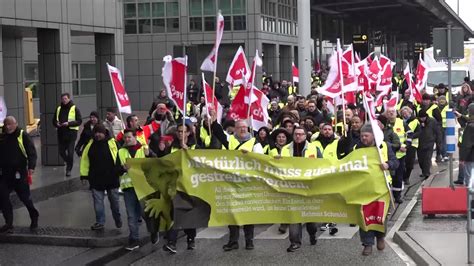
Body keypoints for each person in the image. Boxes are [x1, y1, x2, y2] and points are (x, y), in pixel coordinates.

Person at [211, 117, 263, 251]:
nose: (242, 130)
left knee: (248, 213)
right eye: (239, 127)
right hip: (232, 183)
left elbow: (262, 160)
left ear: (248, 129)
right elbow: (219, 133)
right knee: (232, 213)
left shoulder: (254, 143)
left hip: (248, 183)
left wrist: (250, 156)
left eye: (244, 128)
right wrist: (213, 119)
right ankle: (233, 241)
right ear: (235, 129)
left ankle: (249, 241)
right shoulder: (230, 140)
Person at [348, 123, 398, 256]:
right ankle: (367, 243)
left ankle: (380, 236)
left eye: (366, 135)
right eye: (362, 135)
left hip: (382, 187)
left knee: (380, 215)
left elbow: (395, 162)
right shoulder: (356, 148)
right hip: (363, 188)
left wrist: (388, 164)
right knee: (364, 216)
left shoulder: (384, 146)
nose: (363, 138)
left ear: (373, 136)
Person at [277, 126, 320, 252]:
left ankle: (312, 233)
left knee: (310, 218)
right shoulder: (285, 149)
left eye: (301, 134)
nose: (298, 136)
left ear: (306, 136)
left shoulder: (314, 149)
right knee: (294, 216)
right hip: (293, 187)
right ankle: (295, 242)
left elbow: (323, 165)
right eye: (296, 134)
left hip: (309, 187)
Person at [161, 123, 198, 254]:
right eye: (179, 131)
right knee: (174, 213)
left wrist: (187, 150)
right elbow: (164, 162)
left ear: (188, 133)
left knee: (188, 214)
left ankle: (190, 238)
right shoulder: (172, 147)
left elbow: (199, 163)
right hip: (174, 185)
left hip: (189, 185)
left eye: (183, 132)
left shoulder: (194, 146)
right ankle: (172, 242)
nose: (180, 134)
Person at [0, 116, 39, 233]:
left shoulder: (22, 135)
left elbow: (32, 152)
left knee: (25, 198)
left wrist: (31, 167)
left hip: (19, 173)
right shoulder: (2, 136)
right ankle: (9, 223)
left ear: (16, 124)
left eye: (10, 124)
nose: (8, 127)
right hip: (5, 174)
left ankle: (34, 216)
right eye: (6, 125)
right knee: (3, 197)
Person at [80, 124, 122, 231]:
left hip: (112, 178)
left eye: (100, 133)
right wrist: (84, 176)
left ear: (104, 133)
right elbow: (85, 161)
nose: (98, 135)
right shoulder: (90, 145)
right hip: (96, 179)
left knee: (115, 203)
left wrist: (120, 170)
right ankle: (100, 222)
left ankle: (117, 218)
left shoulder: (113, 143)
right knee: (98, 203)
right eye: (96, 132)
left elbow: (120, 157)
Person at [118, 129, 154, 250]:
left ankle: (154, 230)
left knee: (145, 213)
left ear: (135, 137)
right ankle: (134, 239)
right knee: (131, 215)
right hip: (128, 188)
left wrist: (149, 154)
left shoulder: (143, 149)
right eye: (125, 138)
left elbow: (156, 161)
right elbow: (115, 170)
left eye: (129, 137)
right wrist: (122, 168)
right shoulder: (121, 152)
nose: (127, 140)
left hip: (143, 187)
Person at [53, 92, 82, 176]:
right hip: (61, 133)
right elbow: (54, 120)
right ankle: (69, 162)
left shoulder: (74, 108)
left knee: (70, 153)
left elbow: (79, 121)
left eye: (65, 99)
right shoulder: (58, 108)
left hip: (71, 134)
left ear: (69, 99)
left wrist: (69, 123)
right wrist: (56, 124)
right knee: (61, 152)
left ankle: (69, 169)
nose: (64, 100)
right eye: (62, 99)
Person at [417, 109, 441, 179]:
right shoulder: (417, 122)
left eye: (423, 117)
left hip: (429, 143)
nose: (422, 119)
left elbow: (437, 132)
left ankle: (426, 173)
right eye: (421, 118)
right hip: (419, 143)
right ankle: (423, 171)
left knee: (427, 159)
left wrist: (437, 142)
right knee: (421, 160)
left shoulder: (432, 121)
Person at [400, 106, 420, 185]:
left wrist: (410, 137)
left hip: (412, 144)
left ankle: (407, 177)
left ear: (409, 112)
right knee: (402, 162)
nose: (404, 115)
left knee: (410, 162)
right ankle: (403, 177)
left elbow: (419, 132)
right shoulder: (400, 122)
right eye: (403, 113)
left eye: (406, 113)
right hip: (402, 144)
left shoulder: (415, 121)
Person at [457, 103, 474, 185]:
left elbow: (467, 145)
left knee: (469, 177)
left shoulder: (470, 126)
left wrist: (462, 158)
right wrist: (461, 116)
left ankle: (470, 196)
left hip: (470, 156)